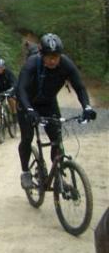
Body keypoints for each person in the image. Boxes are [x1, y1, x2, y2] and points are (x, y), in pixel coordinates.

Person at [16, 33, 96, 189]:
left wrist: (86, 107)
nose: (52, 60)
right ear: (42, 55)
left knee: (56, 139)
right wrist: (30, 110)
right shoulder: (32, 64)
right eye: (49, 56)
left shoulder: (66, 64)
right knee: (27, 137)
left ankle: (58, 175)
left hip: (47, 103)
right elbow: (21, 89)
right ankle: (25, 172)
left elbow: (79, 87)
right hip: (27, 103)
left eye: (56, 56)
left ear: (60, 55)